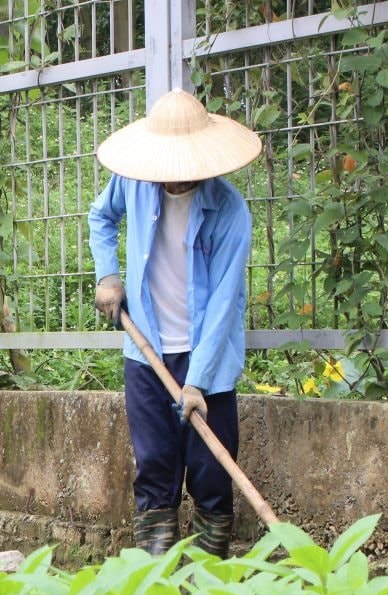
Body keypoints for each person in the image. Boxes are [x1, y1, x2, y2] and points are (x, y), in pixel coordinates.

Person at [87, 88, 262, 558]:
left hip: (209, 358)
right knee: (155, 463)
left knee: (210, 468)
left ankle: (209, 573)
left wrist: (198, 382)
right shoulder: (133, 183)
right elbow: (100, 217)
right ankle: (156, 573)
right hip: (146, 349)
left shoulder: (229, 211)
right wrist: (108, 275)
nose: (180, 178)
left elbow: (225, 301)